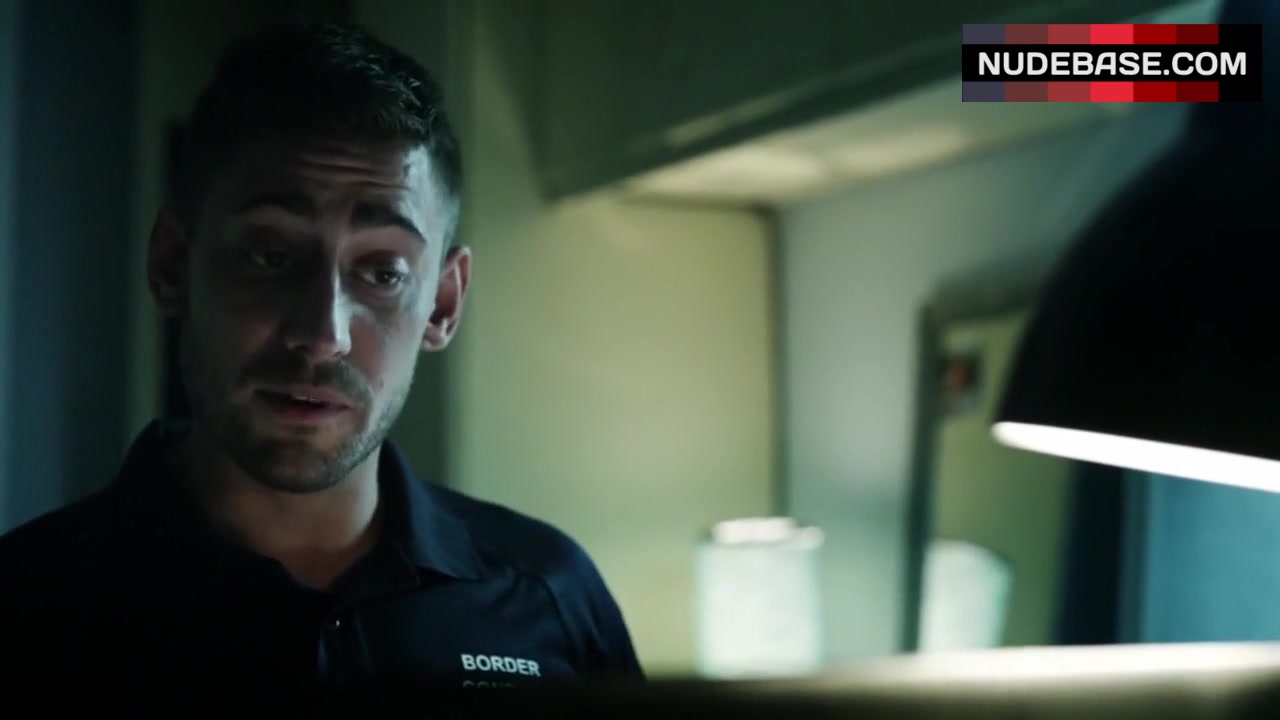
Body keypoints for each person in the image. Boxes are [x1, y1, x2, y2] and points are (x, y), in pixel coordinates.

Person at [0, 20, 641, 695]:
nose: (321, 333)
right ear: (172, 264)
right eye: (270, 256)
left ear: (444, 304)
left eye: (383, 272)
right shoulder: (25, 605)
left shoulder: (551, 596)